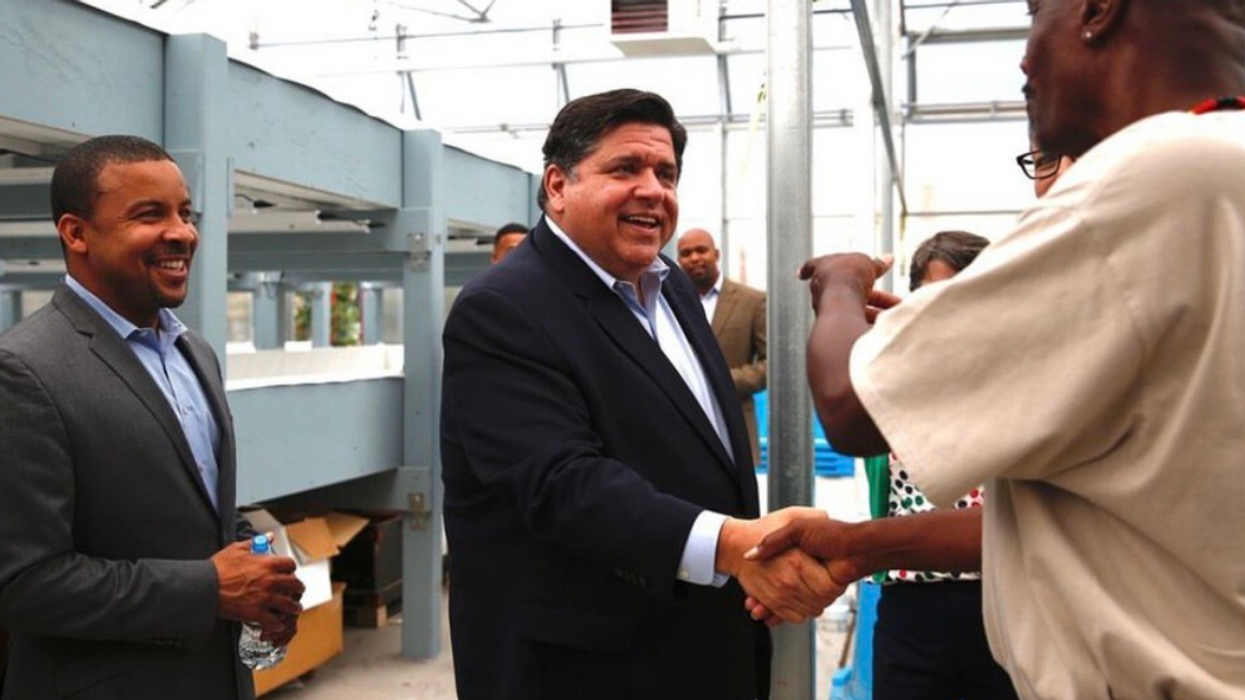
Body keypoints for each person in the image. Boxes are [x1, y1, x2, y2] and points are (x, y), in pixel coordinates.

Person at [760, 1, 1245, 697]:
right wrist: (860, 545)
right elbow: (1097, 512)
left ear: (1098, 10)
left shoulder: (1152, 175)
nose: (1022, 61)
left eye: (1033, 14)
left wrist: (839, 286)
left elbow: (850, 407)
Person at [440, 89, 839, 700]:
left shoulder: (669, 283)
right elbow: (562, 484)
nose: (652, 189)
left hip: (697, 644)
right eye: (625, 168)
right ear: (557, 185)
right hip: (585, 668)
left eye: (666, 173)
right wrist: (735, 547)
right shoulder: (503, 308)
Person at [0, 135, 305, 700]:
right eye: (150, 214)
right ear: (76, 232)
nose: (183, 233)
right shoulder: (23, 370)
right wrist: (208, 588)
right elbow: (22, 582)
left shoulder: (196, 353)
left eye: (185, 213)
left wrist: (262, 580)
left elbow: (201, 513)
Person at [677, 228, 767, 465]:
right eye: (686, 253)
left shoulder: (752, 301)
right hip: (681, 425)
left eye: (701, 250)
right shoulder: (667, 302)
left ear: (716, 254)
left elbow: (771, 365)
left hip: (734, 421)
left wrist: (724, 382)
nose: (694, 258)